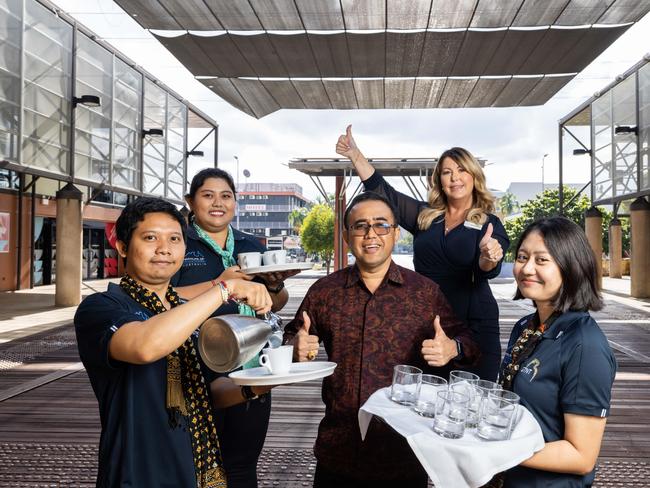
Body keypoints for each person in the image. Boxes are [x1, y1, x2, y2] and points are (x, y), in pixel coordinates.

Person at [283, 191, 480, 488]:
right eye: (360, 226)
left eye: (381, 225)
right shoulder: (325, 291)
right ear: (348, 236)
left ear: (396, 233)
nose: (371, 234)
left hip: (404, 453)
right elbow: (289, 339)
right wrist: (294, 348)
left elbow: (470, 344)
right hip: (338, 450)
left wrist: (453, 348)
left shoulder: (424, 293)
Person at [74, 197, 273, 488]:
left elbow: (212, 389)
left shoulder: (184, 312)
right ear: (123, 247)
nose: (164, 249)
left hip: (196, 466)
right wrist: (224, 288)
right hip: (140, 471)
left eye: (175, 239)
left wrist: (268, 379)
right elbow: (146, 346)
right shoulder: (102, 307)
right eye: (150, 238)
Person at [335, 125, 509, 381]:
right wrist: (354, 154)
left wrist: (488, 256)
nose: (455, 178)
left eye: (462, 170)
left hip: (474, 324)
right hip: (427, 320)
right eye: (447, 172)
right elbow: (386, 194)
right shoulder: (426, 217)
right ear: (439, 180)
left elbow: (488, 269)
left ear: (474, 176)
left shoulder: (488, 223)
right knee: (426, 401)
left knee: (471, 403)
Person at [171, 168, 298, 488]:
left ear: (235, 203)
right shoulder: (177, 242)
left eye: (226, 196)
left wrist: (275, 284)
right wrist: (220, 285)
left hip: (250, 365)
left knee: (242, 465)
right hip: (193, 368)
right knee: (192, 464)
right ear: (190, 201)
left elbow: (275, 303)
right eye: (208, 195)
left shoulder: (250, 243)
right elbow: (161, 299)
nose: (218, 203)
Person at [502, 217, 616, 487]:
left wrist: (494, 450)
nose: (527, 268)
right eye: (522, 257)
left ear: (571, 267)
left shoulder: (584, 345)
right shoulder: (526, 326)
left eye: (542, 260)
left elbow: (581, 456)